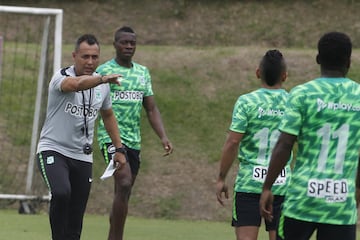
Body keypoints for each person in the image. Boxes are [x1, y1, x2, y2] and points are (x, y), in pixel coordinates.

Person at [259, 32, 360, 240]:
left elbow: (284, 145)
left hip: (302, 200)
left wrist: (268, 186)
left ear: (318, 59)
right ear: (349, 61)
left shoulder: (302, 94)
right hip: (340, 204)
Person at [36, 34, 127, 240]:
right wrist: (102, 78)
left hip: (82, 156)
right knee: (61, 192)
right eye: (85, 56)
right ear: (74, 55)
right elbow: (75, 85)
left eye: (95, 57)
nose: (90, 61)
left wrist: (119, 149)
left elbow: (108, 115)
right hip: (53, 149)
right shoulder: (60, 77)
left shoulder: (101, 86)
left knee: (76, 218)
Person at [96, 26, 173, 240]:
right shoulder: (104, 72)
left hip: (134, 142)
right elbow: (92, 105)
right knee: (124, 182)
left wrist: (163, 136)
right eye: (124, 42)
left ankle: (113, 231)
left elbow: (150, 108)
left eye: (132, 43)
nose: (129, 46)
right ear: (115, 44)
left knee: (123, 193)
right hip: (110, 139)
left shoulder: (142, 73)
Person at [216, 49, 291, 240]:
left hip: (250, 185)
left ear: (258, 73)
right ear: (285, 76)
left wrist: (221, 178)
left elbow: (233, 142)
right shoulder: (293, 103)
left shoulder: (246, 102)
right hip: (282, 186)